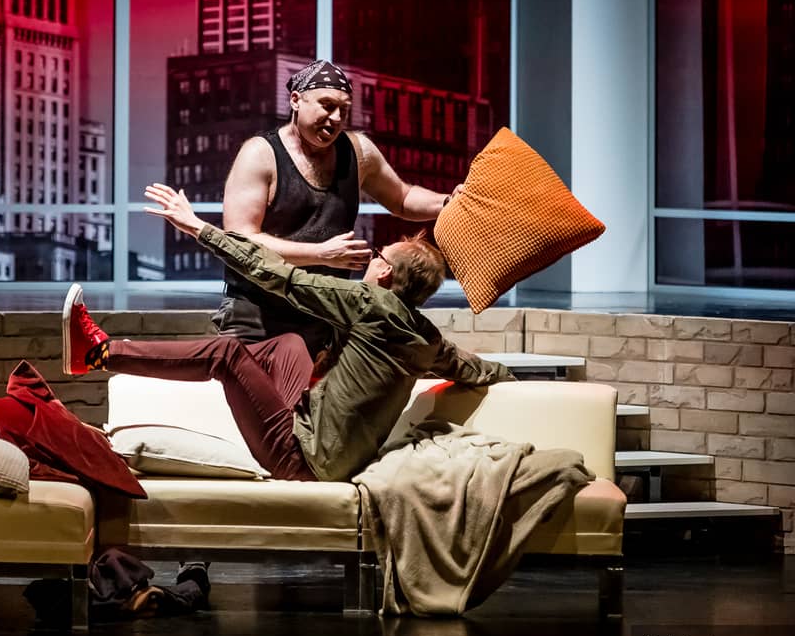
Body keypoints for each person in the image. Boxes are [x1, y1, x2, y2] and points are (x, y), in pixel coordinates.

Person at [61, 183, 514, 483]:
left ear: (385, 274)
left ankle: (98, 353)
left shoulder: (368, 303)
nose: (372, 259)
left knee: (227, 354)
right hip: (324, 446)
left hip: (302, 460)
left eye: (379, 255)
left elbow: (275, 273)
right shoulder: (427, 338)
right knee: (290, 344)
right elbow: (473, 367)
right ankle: (259, 400)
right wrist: (518, 381)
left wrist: (199, 228)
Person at [215, 58, 463, 357]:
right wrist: (321, 254)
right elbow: (239, 241)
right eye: (327, 105)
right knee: (264, 388)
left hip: (325, 315)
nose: (335, 118)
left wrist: (448, 203)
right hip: (257, 314)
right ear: (296, 100)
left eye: (343, 110)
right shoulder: (259, 154)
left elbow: (401, 198)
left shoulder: (358, 151)